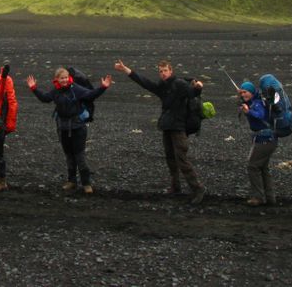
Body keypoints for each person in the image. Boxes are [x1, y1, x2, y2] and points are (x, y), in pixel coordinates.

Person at [113, 59, 206, 204]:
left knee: (182, 159)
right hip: (167, 126)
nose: (163, 73)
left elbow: (192, 93)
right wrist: (126, 69)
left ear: (171, 71)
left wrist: (199, 87)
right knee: (170, 158)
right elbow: (144, 82)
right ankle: (175, 187)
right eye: (160, 71)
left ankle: (198, 188)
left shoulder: (179, 84)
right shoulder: (162, 87)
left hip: (179, 128)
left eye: (165, 70)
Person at [26, 67, 111, 194]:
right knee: (69, 156)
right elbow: (45, 98)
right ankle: (72, 181)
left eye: (66, 77)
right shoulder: (56, 91)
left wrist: (103, 87)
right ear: (57, 80)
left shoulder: (76, 89)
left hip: (78, 128)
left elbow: (90, 95)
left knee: (79, 156)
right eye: (62, 78)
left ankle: (86, 183)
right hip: (63, 128)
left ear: (69, 78)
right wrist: (33, 88)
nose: (65, 80)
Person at [238, 81, 277, 206]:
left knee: (253, 166)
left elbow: (259, 115)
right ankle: (270, 198)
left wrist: (248, 111)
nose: (244, 94)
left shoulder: (258, 103)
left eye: (246, 92)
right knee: (263, 168)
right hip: (269, 139)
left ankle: (258, 197)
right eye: (242, 92)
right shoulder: (255, 102)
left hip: (264, 139)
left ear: (252, 92)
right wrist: (246, 105)